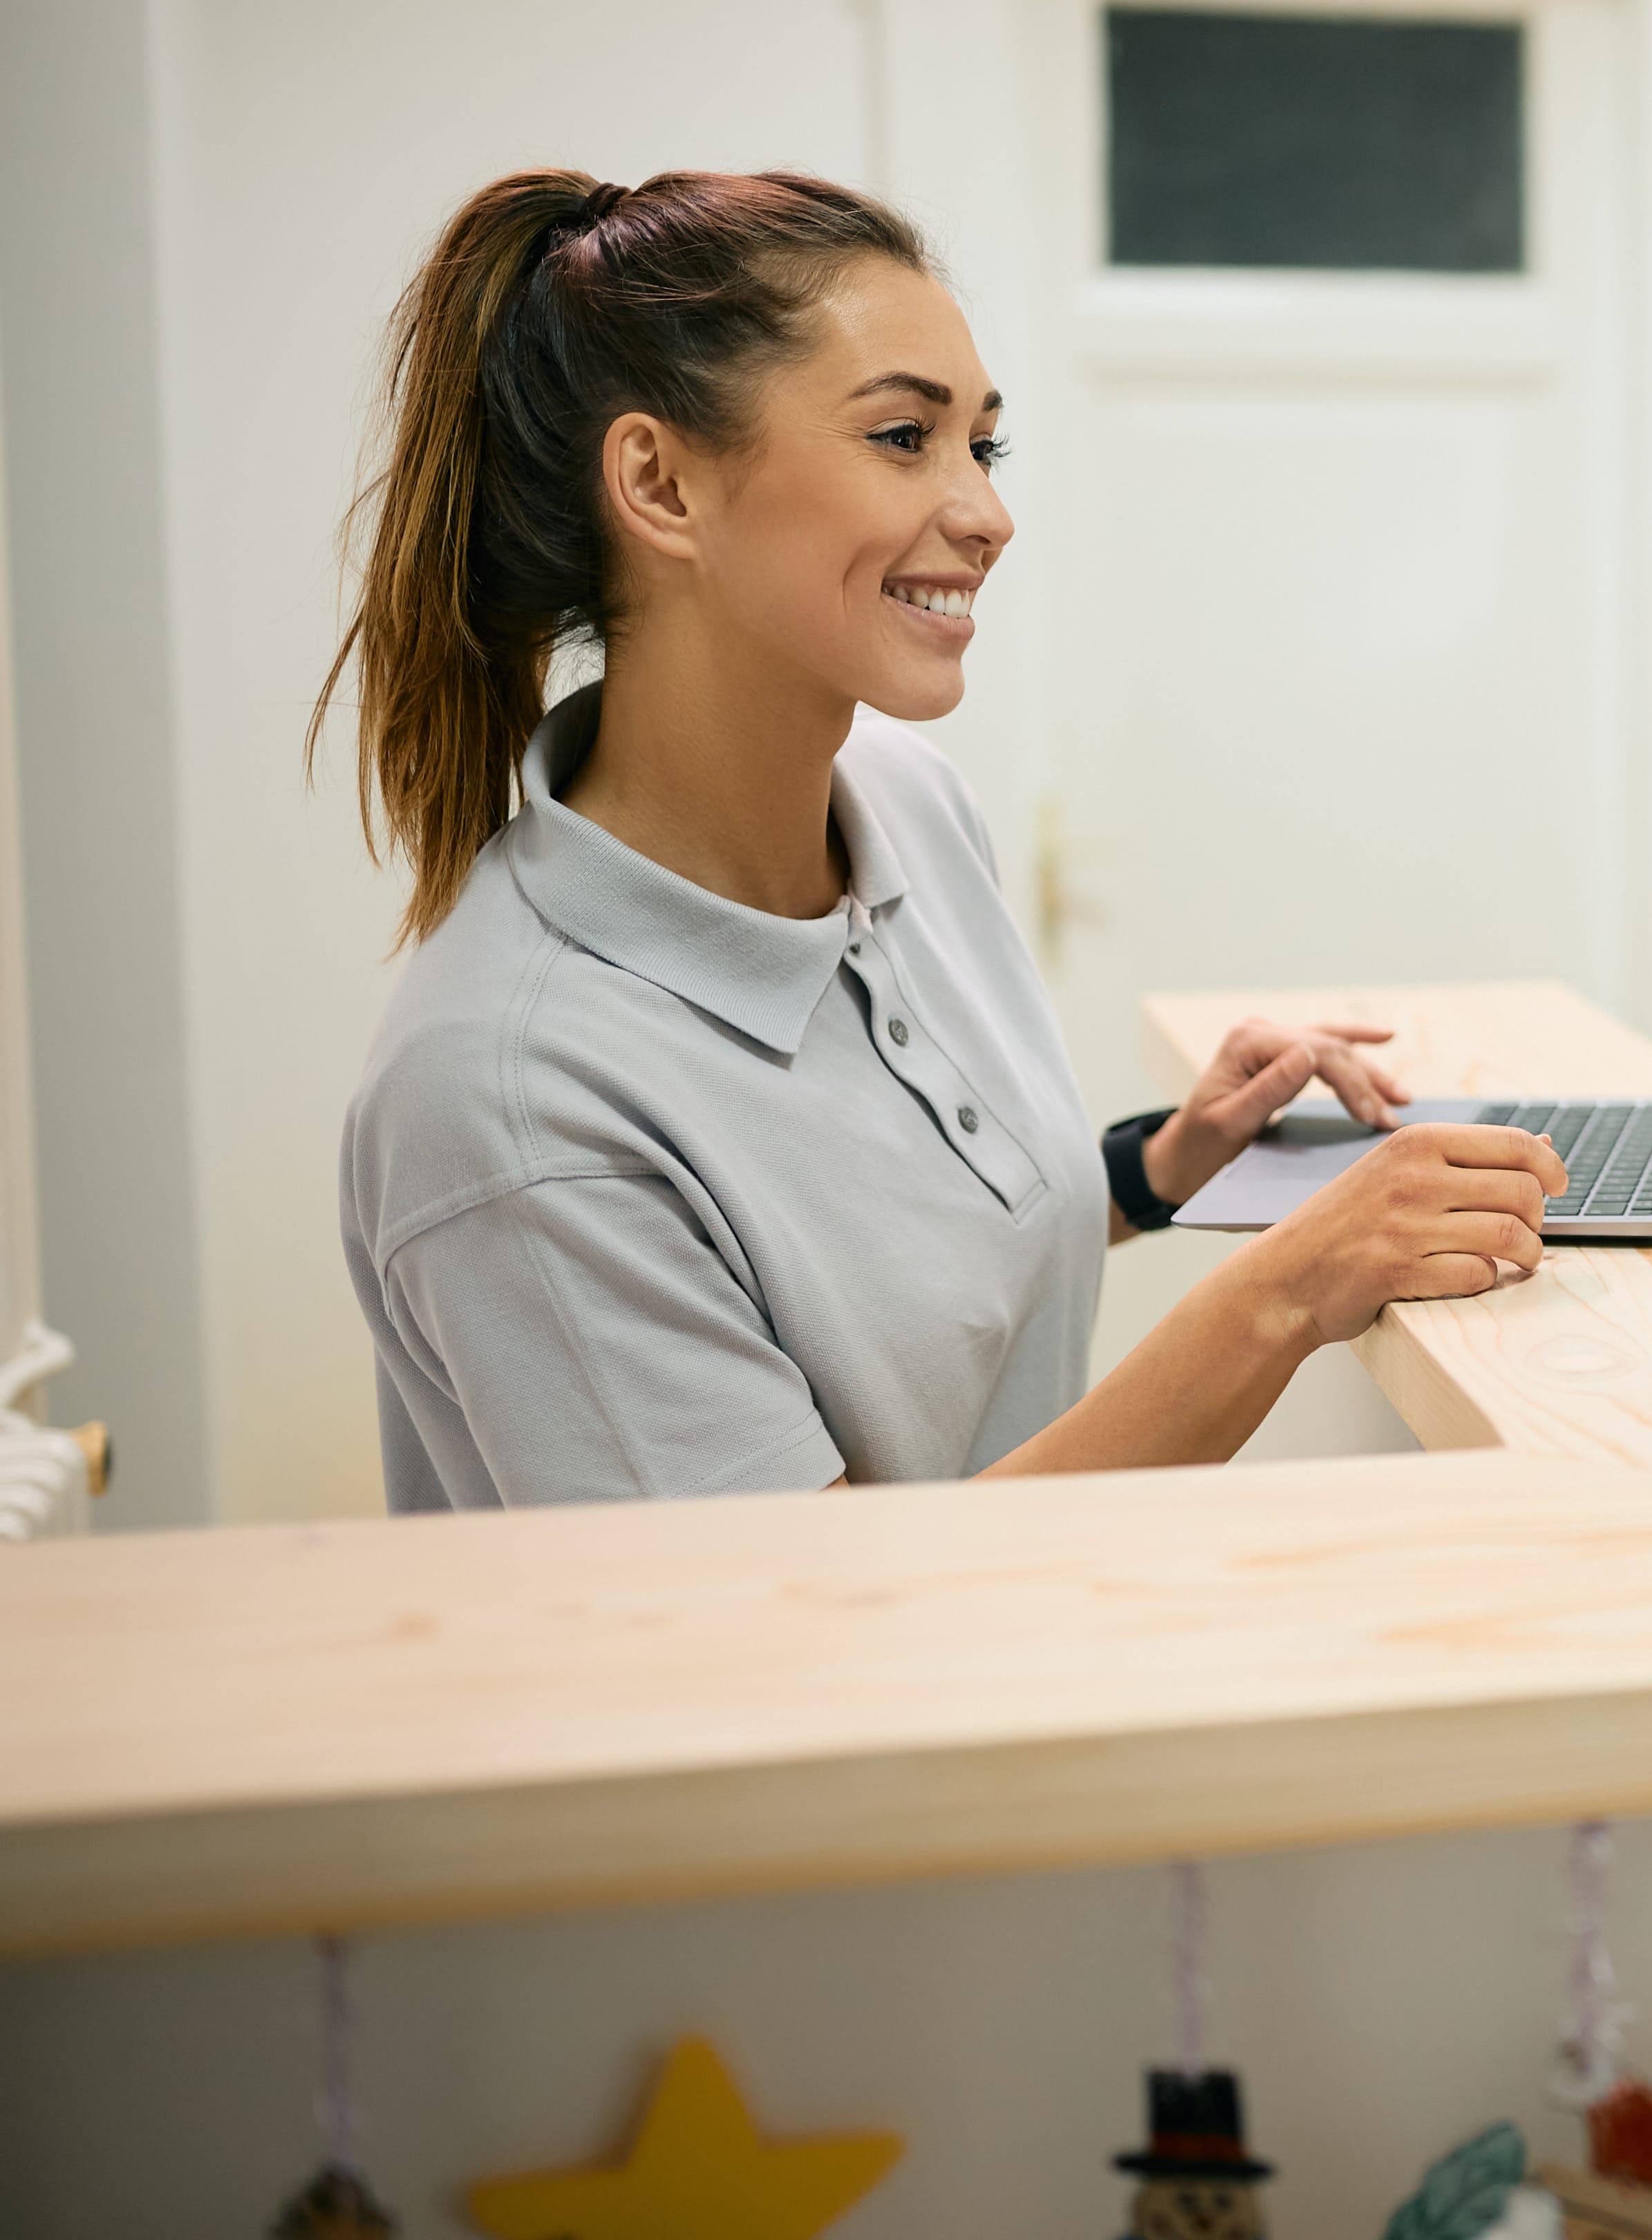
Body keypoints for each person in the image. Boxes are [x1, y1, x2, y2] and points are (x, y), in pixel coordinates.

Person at [322, 168, 1566, 1507]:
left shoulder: (905, 800)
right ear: (661, 483)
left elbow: (885, 1279)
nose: (985, 511)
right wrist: (1285, 1293)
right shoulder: (513, 1108)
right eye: (904, 436)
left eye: (984, 443)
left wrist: (1159, 1166)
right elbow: (824, 1639)